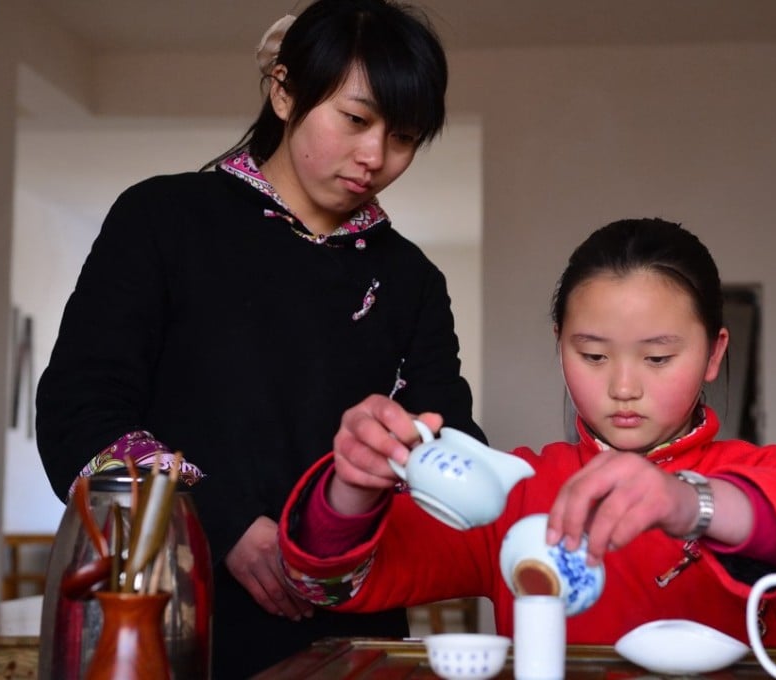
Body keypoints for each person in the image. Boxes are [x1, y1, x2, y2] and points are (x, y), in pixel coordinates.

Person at [35, 0, 482, 675]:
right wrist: (222, 524)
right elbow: (80, 413)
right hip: (169, 615)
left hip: (352, 636)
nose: (375, 156)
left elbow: (452, 451)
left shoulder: (411, 279)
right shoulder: (163, 220)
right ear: (284, 89)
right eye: (356, 120)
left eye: (405, 137)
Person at [277, 217, 776, 646]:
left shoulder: (766, 476)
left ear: (713, 354)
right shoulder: (521, 491)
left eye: (657, 357)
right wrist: (352, 487)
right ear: (559, 346)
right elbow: (325, 585)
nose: (622, 387)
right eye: (592, 356)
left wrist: (693, 504)